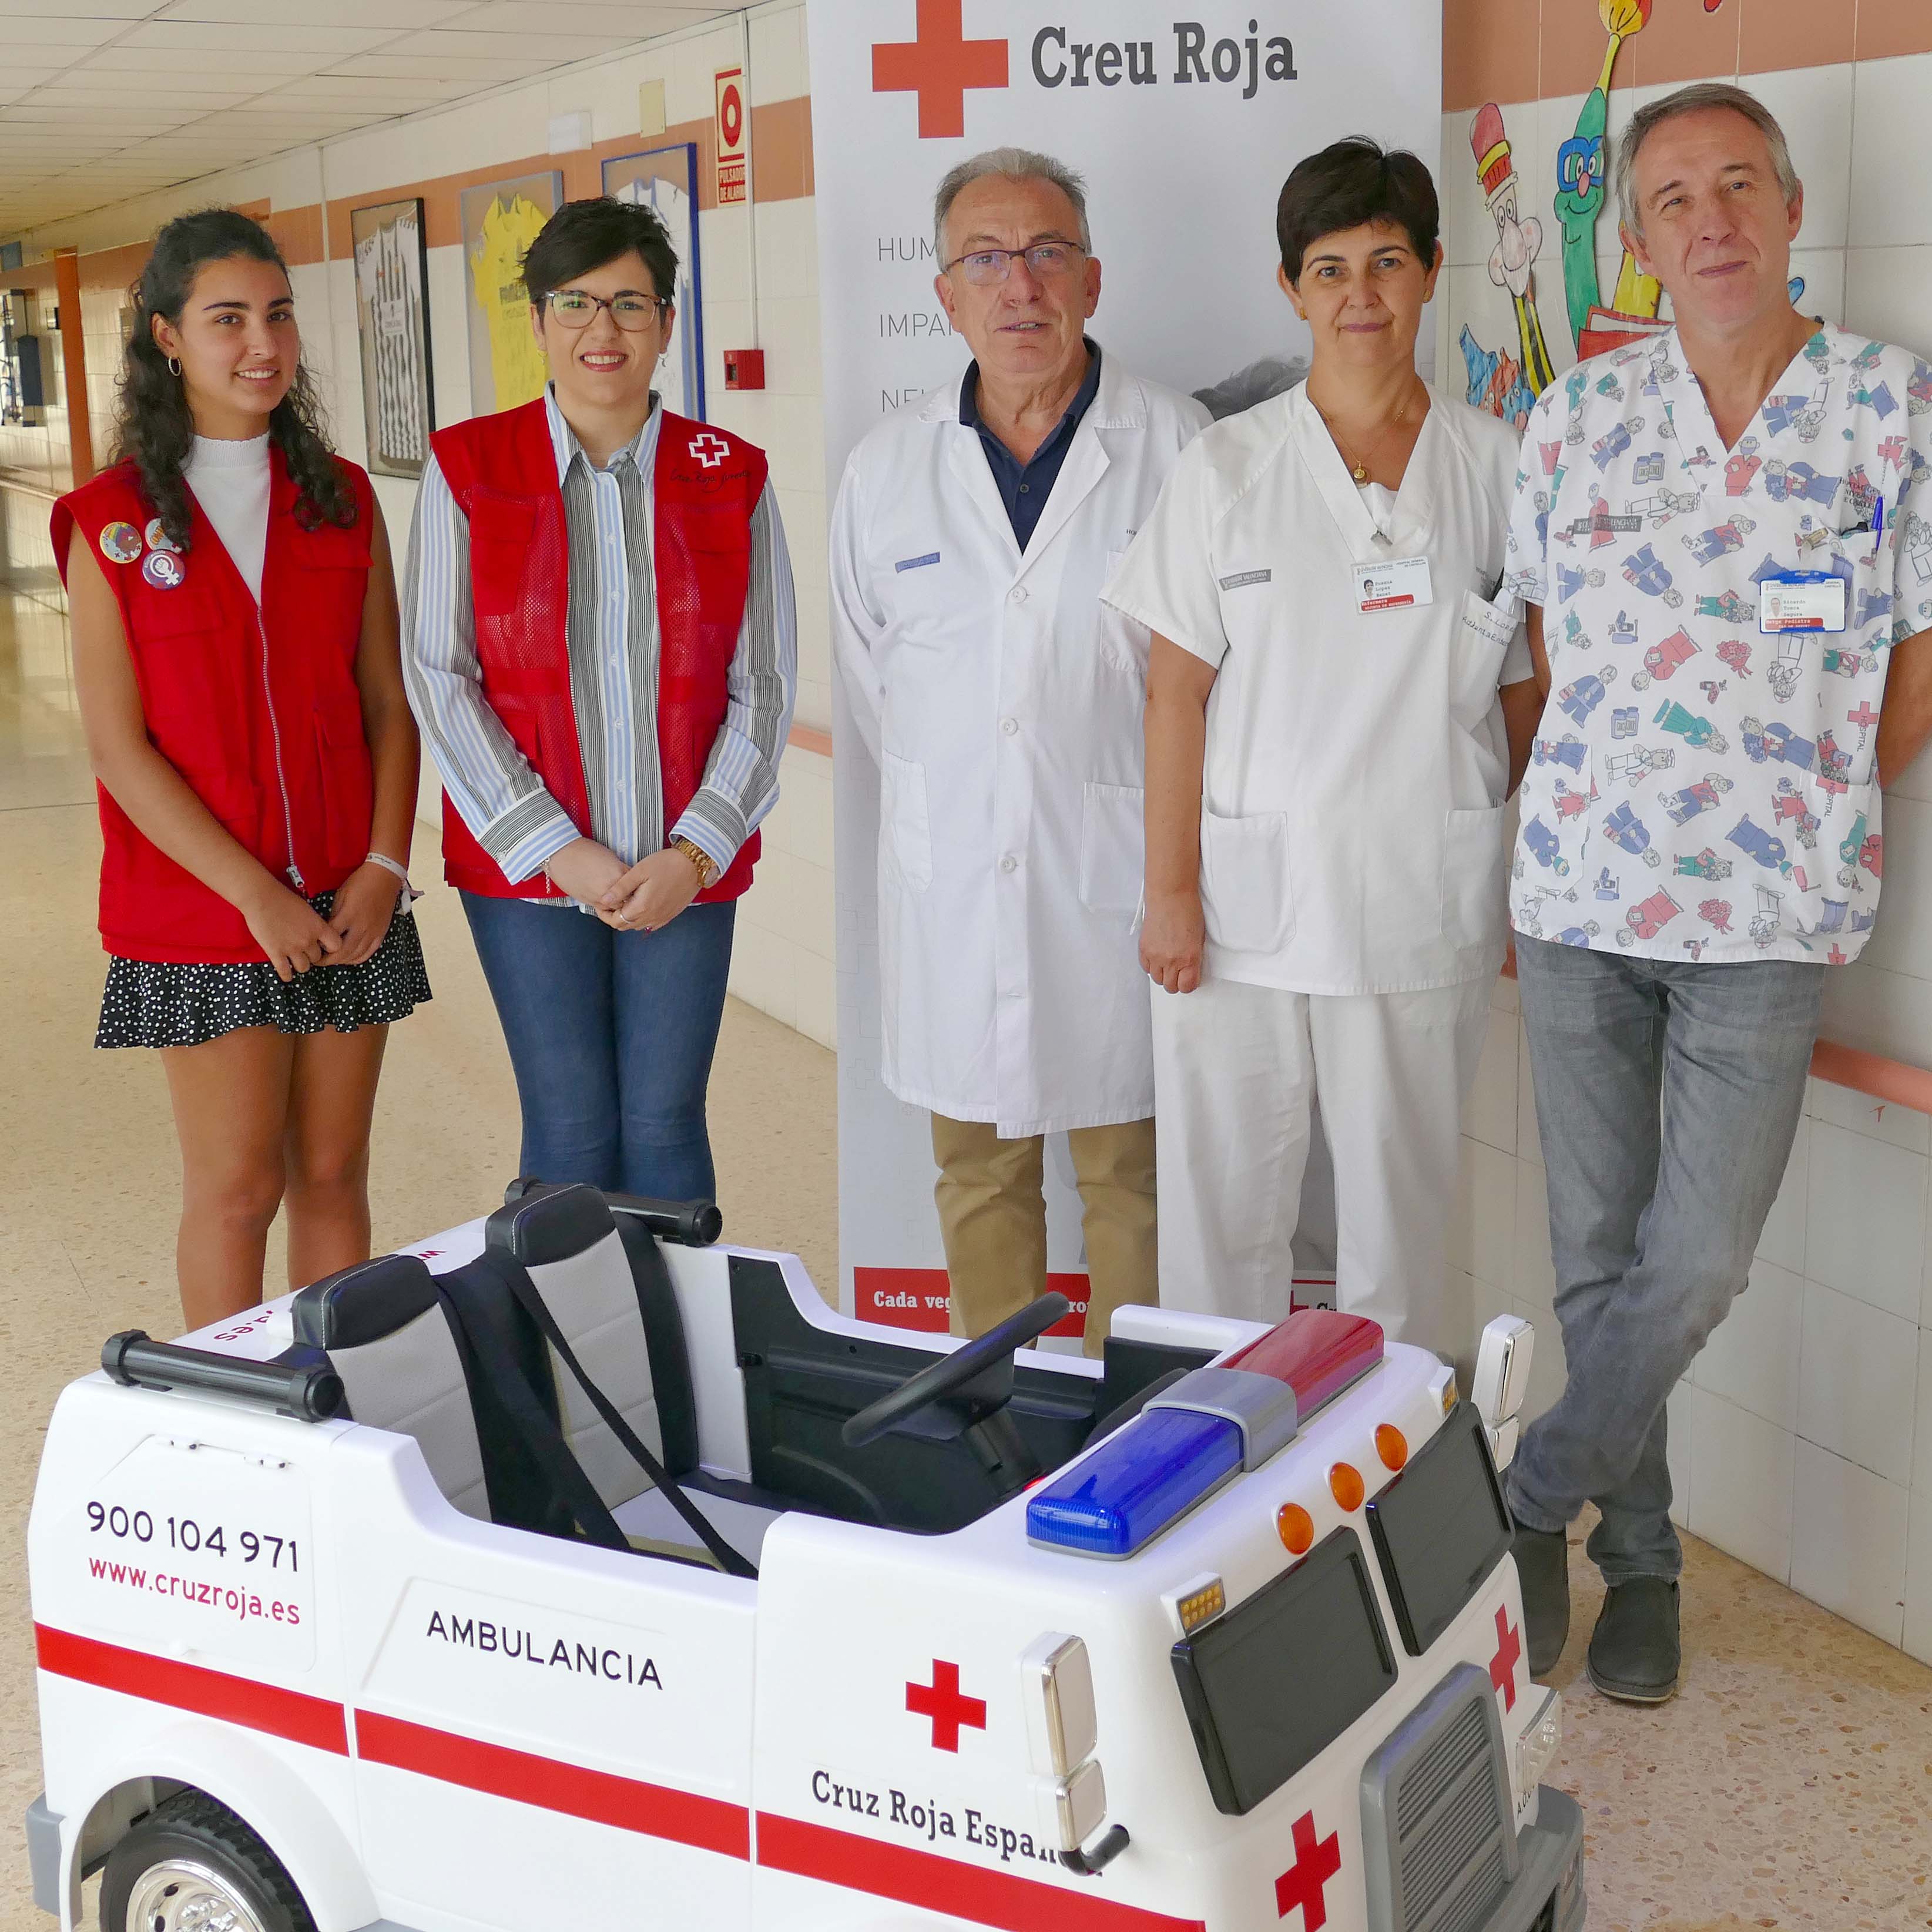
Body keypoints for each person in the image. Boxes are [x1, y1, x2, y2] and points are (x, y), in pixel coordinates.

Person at [1501, 82, 1932, 1703]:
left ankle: (1527, 1503)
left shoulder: (1892, 413)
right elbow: (1544, 648)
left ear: (1792, 201)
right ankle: (1646, 1563)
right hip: (1582, 902)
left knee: (1696, 1266)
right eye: (1673, 199)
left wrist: (1811, 802)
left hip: (1771, 920)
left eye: (1736, 184)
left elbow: (1916, 656)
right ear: (1639, 240)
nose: (1711, 222)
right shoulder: (1579, 420)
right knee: (1599, 1262)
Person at [1104, 139, 1542, 1364]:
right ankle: (1216, 1469)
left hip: (1418, 901)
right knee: (1222, 1220)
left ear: (1432, 272)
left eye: (1388, 262)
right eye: (1332, 267)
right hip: (1239, 914)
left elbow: (1525, 691)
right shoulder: (1226, 468)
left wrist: (1494, 848)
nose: (1362, 294)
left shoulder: (1497, 467)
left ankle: (1392, 1487)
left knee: (1399, 1228)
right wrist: (1172, 893)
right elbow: (1174, 693)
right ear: (1293, 289)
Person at [830, 148, 1208, 1358]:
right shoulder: (887, 471)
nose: (1020, 286)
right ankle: (993, 1432)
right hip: (957, 891)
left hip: (1123, 891)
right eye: (985, 260)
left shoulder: (1180, 447)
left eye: (1047, 254)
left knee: (1131, 1179)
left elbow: (1211, 682)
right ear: (945, 296)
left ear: (1091, 280)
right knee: (978, 1175)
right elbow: (876, 686)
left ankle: (1129, 1432)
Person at [56, 208, 427, 1330]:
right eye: (227, 319)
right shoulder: (110, 523)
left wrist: (382, 866)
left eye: (277, 314)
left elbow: (387, 708)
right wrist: (254, 894)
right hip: (203, 914)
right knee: (236, 1190)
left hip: (347, 898)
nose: (260, 343)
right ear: (167, 336)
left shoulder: (343, 499)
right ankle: (233, 1421)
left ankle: (333, 1413)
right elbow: (121, 750)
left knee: (332, 1177)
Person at [403, 197, 796, 1204]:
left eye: (631, 303)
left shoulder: (732, 476)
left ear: (668, 323)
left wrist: (694, 852)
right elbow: (439, 679)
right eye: (575, 303)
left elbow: (763, 688)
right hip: (528, 876)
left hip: (685, 872)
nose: (603, 330)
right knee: (571, 1128)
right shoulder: (467, 470)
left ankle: (679, 1359)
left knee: (666, 1126)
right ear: (535, 322)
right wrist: (557, 849)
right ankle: (568, 1363)